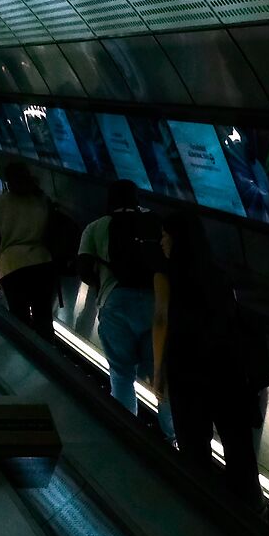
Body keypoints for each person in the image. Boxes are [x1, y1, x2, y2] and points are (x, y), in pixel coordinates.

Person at [154, 212, 269, 507]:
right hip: (226, 370)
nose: (161, 243)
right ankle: (250, 510)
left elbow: (161, 320)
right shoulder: (216, 273)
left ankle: (204, 509)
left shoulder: (167, 275)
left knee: (194, 446)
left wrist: (159, 371)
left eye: (165, 236)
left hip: (187, 371)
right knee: (238, 445)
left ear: (177, 239)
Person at [80, 180, 170, 432]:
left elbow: (84, 269)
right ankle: (174, 438)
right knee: (160, 372)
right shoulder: (155, 222)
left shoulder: (96, 227)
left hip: (115, 302)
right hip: (155, 302)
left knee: (121, 373)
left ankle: (127, 430)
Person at [0, 160, 57, 332]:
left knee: (19, 320)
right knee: (43, 318)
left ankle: (25, 356)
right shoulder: (42, 200)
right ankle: (47, 354)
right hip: (42, 263)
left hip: (12, 266)